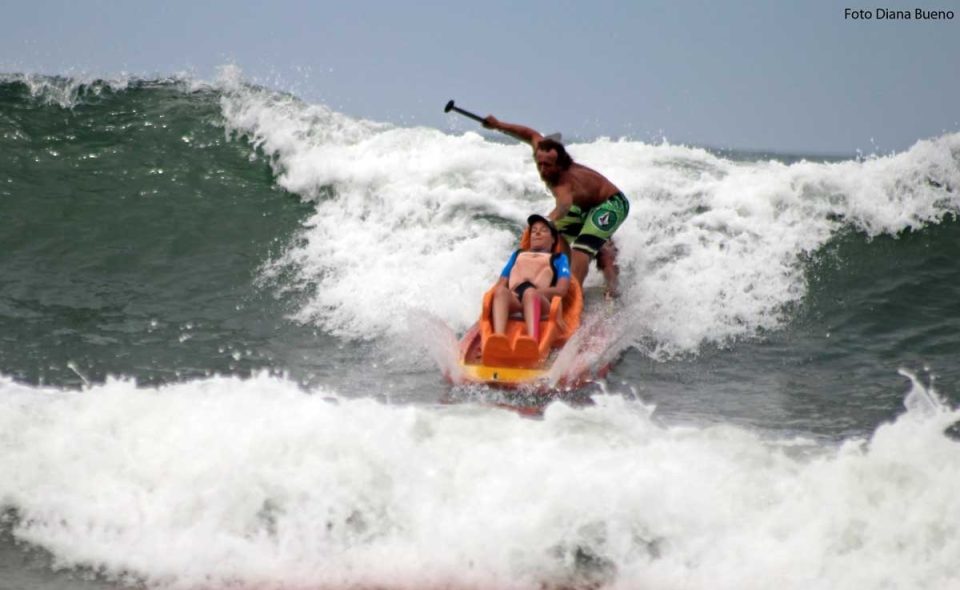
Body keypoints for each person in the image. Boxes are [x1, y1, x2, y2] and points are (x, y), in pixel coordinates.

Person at [483, 115, 629, 298]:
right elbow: (529, 134)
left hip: (611, 204)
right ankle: (563, 280)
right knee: (554, 237)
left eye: (548, 166)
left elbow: (563, 208)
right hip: (583, 207)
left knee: (582, 250)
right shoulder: (543, 150)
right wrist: (498, 125)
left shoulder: (563, 185)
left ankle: (588, 296)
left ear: (559, 165)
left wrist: (543, 223)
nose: (543, 170)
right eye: (540, 164)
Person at [491, 214, 570, 340]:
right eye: (534, 230)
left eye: (544, 230)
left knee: (530, 294)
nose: (537, 233)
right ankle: (498, 337)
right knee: (500, 291)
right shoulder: (517, 255)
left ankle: (532, 340)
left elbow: (562, 290)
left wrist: (534, 293)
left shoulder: (559, 258)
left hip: (541, 303)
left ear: (553, 239)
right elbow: (501, 283)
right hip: (516, 300)